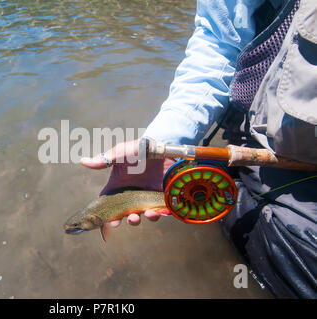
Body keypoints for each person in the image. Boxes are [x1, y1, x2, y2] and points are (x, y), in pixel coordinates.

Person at [80, 0, 317, 298]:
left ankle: (220, 193)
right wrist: (163, 143)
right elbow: (218, 45)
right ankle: (217, 189)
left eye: (79, 224)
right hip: (267, 146)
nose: (78, 227)